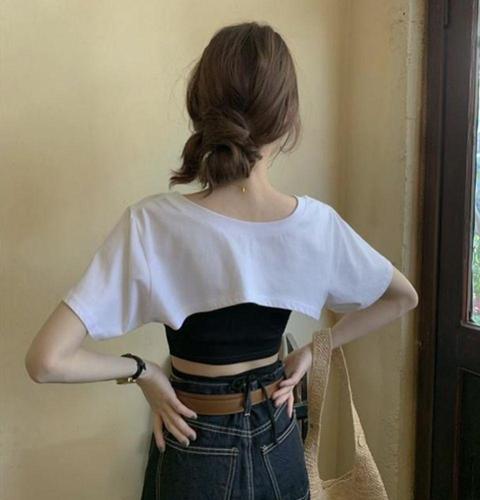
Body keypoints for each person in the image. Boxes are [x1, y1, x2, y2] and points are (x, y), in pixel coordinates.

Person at [25, 21, 418, 500]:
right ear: (288, 118)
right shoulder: (315, 224)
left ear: (201, 108)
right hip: (279, 437)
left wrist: (144, 372)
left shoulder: (152, 223)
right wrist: (317, 348)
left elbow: (46, 360)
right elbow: (402, 297)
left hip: (195, 443)